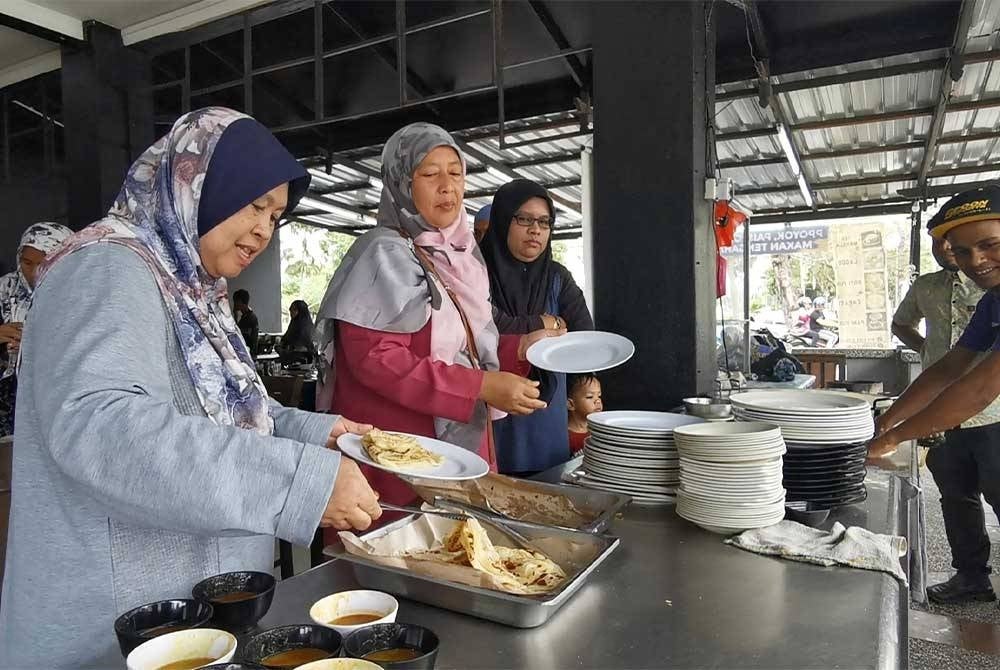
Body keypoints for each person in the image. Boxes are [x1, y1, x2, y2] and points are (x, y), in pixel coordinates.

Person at [0, 107, 381, 667]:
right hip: (118, 624)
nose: (263, 229)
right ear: (197, 183)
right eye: (255, 204)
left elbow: (230, 415)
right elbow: (104, 429)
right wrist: (296, 481)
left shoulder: (194, 288)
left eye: (276, 215)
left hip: (193, 612)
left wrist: (318, 436)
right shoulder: (105, 267)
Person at [315, 122, 559, 511]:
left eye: (456, 172)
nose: (448, 185)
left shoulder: (462, 257)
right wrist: (478, 387)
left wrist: (523, 348)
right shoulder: (382, 255)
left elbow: (465, 345)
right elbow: (376, 360)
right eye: (430, 174)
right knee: (403, 558)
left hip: (459, 449)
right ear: (401, 183)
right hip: (402, 456)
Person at [869, 185, 1000, 606]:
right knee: (957, 494)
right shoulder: (994, 302)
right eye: (963, 251)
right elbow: (949, 367)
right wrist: (887, 419)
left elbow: (980, 386)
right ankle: (972, 578)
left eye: (990, 244)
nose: (976, 260)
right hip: (955, 417)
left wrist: (894, 437)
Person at [480, 178, 594, 475]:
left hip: (546, 420)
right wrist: (546, 323)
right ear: (504, 219)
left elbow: (584, 334)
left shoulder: (557, 277)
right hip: (491, 414)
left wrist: (542, 325)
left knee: (548, 492)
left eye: (545, 222)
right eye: (525, 219)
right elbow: (486, 327)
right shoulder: (475, 273)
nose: (536, 230)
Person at [0, 222, 73, 436]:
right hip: (8, 409)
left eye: (43, 264)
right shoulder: (5, 290)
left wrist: (36, 344)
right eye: (27, 263)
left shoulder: (80, 294)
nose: (33, 273)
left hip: (57, 406)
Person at [567, 372, 602, 454]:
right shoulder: (564, 438)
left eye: (599, 396)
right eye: (590, 397)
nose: (598, 401)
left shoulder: (599, 431)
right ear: (570, 404)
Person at [233, 287, 260, 355]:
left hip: (249, 353)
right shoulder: (244, 317)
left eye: (236, 301)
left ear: (241, 302)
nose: (234, 304)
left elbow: (241, 336)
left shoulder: (250, 318)